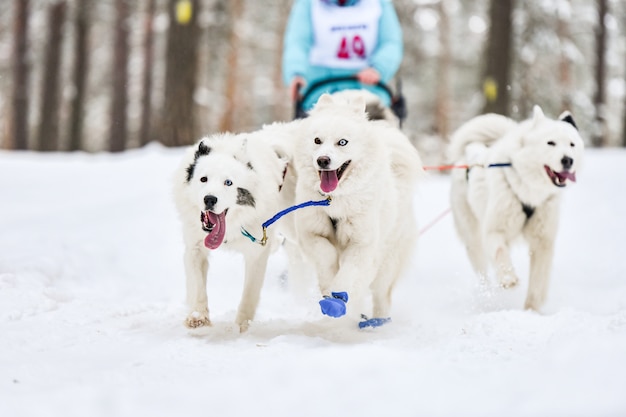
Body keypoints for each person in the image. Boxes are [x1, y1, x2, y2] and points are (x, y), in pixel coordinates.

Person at [282, 0, 403, 115]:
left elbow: (390, 42)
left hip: (369, 88)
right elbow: (297, 43)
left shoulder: (379, 3)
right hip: (319, 90)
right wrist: (296, 74)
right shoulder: (308, 4)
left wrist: (378, 69)